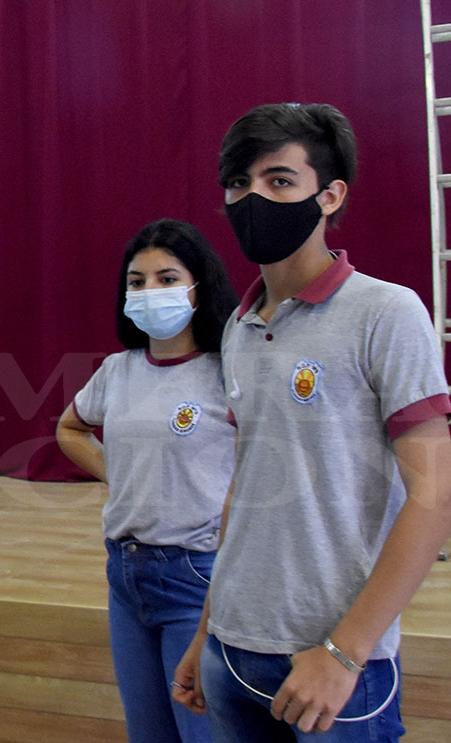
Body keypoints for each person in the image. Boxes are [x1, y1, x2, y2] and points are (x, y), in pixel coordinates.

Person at [172, 103, 451, 742]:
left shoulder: (386, 312)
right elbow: (247, 488)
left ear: (329, 195)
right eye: (238, 183)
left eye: (279, 181)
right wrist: (207, 630)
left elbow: (435, 494)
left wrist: (344, 653)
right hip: (230, 651)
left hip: (331, 668)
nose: (252, 198)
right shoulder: (238, 328)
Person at [56, 218, 239, 743]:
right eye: (137, 282)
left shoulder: (228, 370)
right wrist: (122, 476)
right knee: (148, 732)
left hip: (196, 575)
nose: (150, 291)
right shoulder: (119, 369)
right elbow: (70, 429)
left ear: (199, 286)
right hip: (125, 574)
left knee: (200, 731)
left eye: (167, 278)